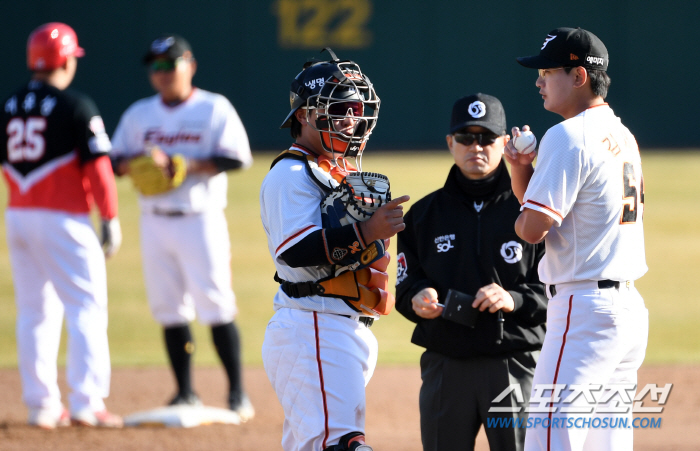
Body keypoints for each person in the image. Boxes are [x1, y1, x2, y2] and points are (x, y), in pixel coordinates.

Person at [505, 27, 648, 451]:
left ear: (579, 76)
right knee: (606, 442)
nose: (539, 80)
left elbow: (532, 229)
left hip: (585, 309)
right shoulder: (622, 134)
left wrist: (519, 215)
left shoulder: (568, 136)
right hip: (625, 310)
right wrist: (522, 171)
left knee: (551, 438)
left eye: (548, 71)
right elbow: (566, 211)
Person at [260, 49, 410, 451]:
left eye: (356, 108)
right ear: (306, 115)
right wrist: (366, 232)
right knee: (342, 444)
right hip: (313, 324)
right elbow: (293, 251)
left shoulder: (337, 171)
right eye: (340, 108)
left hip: (336, 327)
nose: (351, 118)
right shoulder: (291, 175)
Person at [109, 34, 254, 420]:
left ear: (189, 64)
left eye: (169, 65)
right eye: (155, 66)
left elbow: (237, 158)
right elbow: (113, 161)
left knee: (216, 304)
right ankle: (184, 392)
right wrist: (136, 164)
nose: (161, 73)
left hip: (200, 219)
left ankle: (238, 393)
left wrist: (186, 165)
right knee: (169, 309)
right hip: (155, 221)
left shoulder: (212, 108)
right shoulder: (139, 114)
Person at [395, 93, 548, 451]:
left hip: (514, 362)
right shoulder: (423, 214)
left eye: (487, 137)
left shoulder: (532, 210)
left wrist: (513, 298)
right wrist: (416, 296)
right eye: (465, 137)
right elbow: (404, 283)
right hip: (446, 364)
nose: (475, 146)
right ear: (450, 142)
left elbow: (555, 289)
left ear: (505, 143)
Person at [1, 22, 122, 428]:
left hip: (17, 214)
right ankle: (87, 402)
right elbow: (100, 169)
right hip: (65, 219)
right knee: (85, 306)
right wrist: (109, 216)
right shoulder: (76, 105)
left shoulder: (9, 105)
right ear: (66, 59)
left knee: (34, 311)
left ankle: (41, 406)